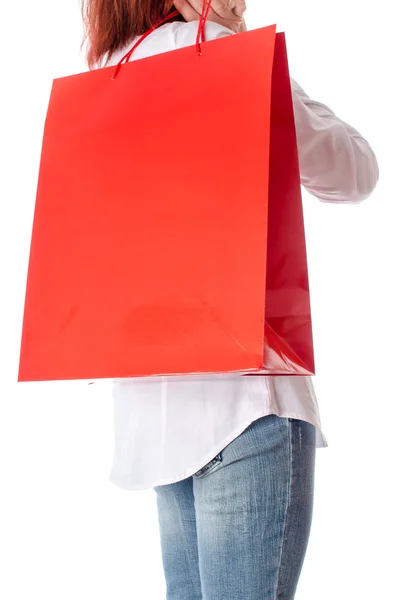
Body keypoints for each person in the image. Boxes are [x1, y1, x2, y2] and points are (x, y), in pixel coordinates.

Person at [80, 1, 379, 598]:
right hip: (246, 407)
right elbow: (355, 171)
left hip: (154, 426)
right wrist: (245, 46)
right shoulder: (229, 53)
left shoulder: (104, 79)